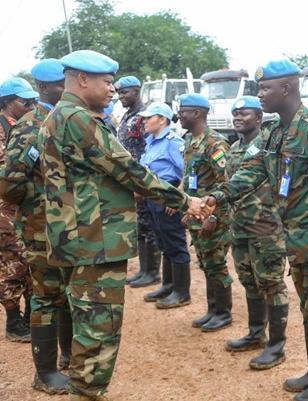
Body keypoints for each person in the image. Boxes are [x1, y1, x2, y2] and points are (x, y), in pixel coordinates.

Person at [40, 49, 204, 401]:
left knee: (87, 321)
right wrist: (185, 201)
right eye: (107, 82)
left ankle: (85, 390)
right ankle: (87, 393)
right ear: (82, 79)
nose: (112, 89)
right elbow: (127, 170)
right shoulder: (79, 119)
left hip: (76, 236)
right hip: (94, 239)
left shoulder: (58, 115)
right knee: (99, 328)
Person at [199, 59, 308, 401]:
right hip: (296, 239)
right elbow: (253, 171)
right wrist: (217, 196)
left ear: (287, 88)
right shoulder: (275, 133)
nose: (260, 94)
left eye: (265, 88)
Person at [0, 59, 72, 394]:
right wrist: (34, 205)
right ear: (44, 87)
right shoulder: (31, 126)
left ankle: (69, 356)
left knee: (69, 292)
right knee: (46, 296)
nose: (67, 89)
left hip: (72, 225)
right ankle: (45, 372)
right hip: (42, 226)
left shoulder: (70, 118)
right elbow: (10, 182)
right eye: (61, 84)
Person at [224, 96, 289, 370]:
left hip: (265, 227)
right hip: (239, 226)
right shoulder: (234, 148)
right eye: (235, 113)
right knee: (249, 281)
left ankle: (276, 346)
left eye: (245, 113)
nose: (238, 118)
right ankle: (255, 333)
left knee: (272, 284)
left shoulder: (269, 145)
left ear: (259, 118)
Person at [177, 93, 234, 332]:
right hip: (197, 214)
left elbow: (225, 184)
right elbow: (189, 179)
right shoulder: (190, 140)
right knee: (206, 262)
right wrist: (187, 210)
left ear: (197, 113)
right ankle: (213, 309)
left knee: (217, 263)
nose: (179, 115)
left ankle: (223, 312)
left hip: (213, 217)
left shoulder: (215, 143)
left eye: (183, 112)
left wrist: (212, 217)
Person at [138, 102, 191, 309]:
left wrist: (178, 198)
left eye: (148, 117)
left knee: (175, 243)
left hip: (169, 198)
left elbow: (185, 172)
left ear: (162, 119)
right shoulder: (151, 141)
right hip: (153, 198)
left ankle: (181, 292)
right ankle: (168, 286)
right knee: (163, 242)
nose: (144, 121)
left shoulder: (173, 143)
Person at [114, 76, 161, 288]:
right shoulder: (128, 116)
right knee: (140, 226)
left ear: (136, 91)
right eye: (119, 93)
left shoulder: (143, 117)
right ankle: (143, 270)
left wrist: (142, 184)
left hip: (143, 179)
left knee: (149, 226)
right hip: (132, 181)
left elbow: (149, 150)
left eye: (124, 92)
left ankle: (153, 272)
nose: (120, 96)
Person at [0, 77, 37, 342]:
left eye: (33, 102)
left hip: (23, 208)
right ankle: (14, 322)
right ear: (7, 102)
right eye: (25, 102)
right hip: (4, 210)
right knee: (11, 263)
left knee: (31, 261)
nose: (31, 107)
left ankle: (30, 318)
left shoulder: (22, 126)